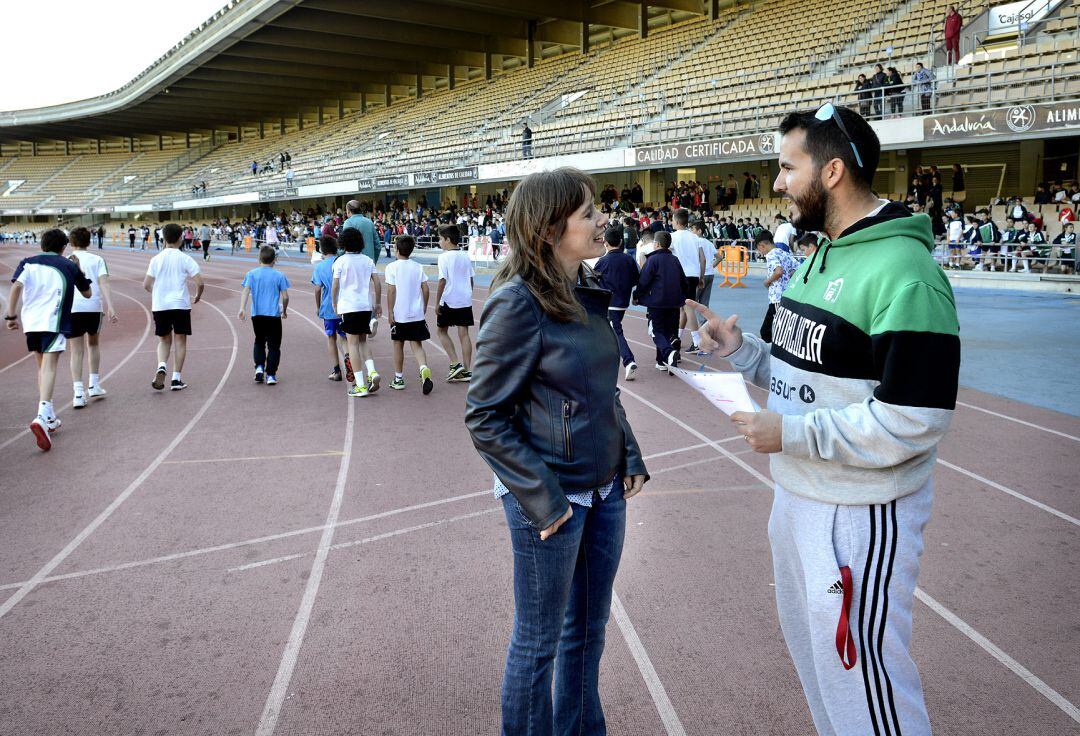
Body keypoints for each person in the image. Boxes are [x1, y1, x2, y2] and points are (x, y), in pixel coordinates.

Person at [691, 104, 959, 736]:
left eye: (788, 168)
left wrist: (791, 434)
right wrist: (742, 352)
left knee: (864, 679)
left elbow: (916, 419)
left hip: (858, 511)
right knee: (824, 669)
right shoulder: (819, 256)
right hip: (798, 494)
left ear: (832, 171)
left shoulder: (906, 273)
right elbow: (805, 371)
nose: (777, 182)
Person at [464, 167, 648, 736]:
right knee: (538, 641)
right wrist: (544, 502)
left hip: (603, 488)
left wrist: (630, 453)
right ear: (548, 230)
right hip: (550, 501)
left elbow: (600, 388)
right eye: (588, 214)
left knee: (587, 633)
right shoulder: (517, 302)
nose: (601, 222)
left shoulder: (588, 289)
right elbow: (485, 415)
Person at [5, 228, 92, 451]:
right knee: (50, 367)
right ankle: (42, 415)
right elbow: (88, 293)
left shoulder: (27, 262)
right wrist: (79, 269)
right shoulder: (69, 265)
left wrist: (11, 315)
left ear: (42, 244)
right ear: (64, 248)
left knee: (42, 367)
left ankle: (50, 416)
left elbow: (16, 286)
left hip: (31, 323)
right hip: (53, 322)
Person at [144, 223, 204, 392]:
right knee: (180, 340)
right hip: (180, 304)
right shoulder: (185, 258)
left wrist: (156, 294)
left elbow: (146, 284)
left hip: (160, 304)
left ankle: (162, 365)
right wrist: (198, 296)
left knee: (163, 339)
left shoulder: (156, 259)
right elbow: (200, 282)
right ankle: (176, 378)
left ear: (163, 238)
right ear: (181, 238)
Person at [67, 227, 118, 408]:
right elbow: (104, 282)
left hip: (73, 309)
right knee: (93, 344)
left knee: (76, 350)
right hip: (93, 307)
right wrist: (111, 307)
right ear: (89, 241)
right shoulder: (98, 259)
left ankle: (78, 393)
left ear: (71, 243)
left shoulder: (66, 260)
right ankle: (94, 384)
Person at [331, 228, 382, 398]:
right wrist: (378, 304)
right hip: (365, 306)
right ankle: (372, 372)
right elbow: (377, 283)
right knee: (363, 342)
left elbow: (335, 285)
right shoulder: (368, 260)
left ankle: (360, 385)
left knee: (352, 344)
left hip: (349, 306)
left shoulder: (340, 261)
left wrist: (334, 303)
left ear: (343, 242)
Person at [384, 235, 434, 394]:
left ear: (396, 249)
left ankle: (398, 379)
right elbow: (426, 288)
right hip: (416, 313)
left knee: (398, 344)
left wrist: (390, 311)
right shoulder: (418, 267)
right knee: (417, 344)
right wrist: (424, 306)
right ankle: (423, 368)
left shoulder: (392, 267)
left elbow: (391, 290)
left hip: (400, 314)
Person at [635, 230, 687, 372]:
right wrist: (683, 297)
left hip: (657, 302)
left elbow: (644, 281)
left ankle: (668, 352)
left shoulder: (652, 260)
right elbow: (683, 281)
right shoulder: (675, 260)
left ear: (656, 244)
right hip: (674, 302)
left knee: (656, 331)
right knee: (669, 331)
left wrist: (637, 296)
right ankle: (662, 360)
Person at [238, 246, 290, 385]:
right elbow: (285, 297)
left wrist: (242, 308)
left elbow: (245, 291)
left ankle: (259, 367)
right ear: (275, 260)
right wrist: (284, 310)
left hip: (257, 315)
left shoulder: (252, 274)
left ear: (259, 258)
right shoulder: (279, 275)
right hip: (273, 315)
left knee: (259, 341)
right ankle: (271, 375)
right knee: (274, 346)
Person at [594, 227, 639, 380]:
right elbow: (636, 279)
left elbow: (593, 281)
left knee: (615, 332)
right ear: (620, 242)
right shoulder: (629, 260)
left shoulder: (602, 262)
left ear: (605, 243)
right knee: (609, 331)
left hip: (609, 302)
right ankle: (604, 360)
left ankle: (629, 361)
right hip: (623, 302)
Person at [435, 224, 475, 383]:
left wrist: (437, 302)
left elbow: (442, 281)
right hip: (464, 299)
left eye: (440, 239)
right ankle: (466, 369)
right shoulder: (465, 255)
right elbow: (471, 279)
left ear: (448, 240)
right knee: (464, 334)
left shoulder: (443, 257)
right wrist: (468, 293)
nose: (439, 241)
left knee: (441, 331)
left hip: (449, 300)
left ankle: (454, 362)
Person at [311, 235, 353, 383]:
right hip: (345, 306)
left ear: (322, 250)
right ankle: (348, 358)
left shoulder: (320, 267)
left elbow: (317, 289)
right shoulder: (342, 262)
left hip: (329, 308)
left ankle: (337, 371)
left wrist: (318, 307)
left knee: (331, 338)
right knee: (345, 337)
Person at [669, 208, 706, 352]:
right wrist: (701, 276)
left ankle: (697, 341)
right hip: (694, 275)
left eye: (672, 219)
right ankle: (678, 336)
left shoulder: (672, 237)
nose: (671, 222)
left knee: (687, 307)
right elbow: (702, 259)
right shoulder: (695, 237)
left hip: (680, 275)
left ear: (677, 221)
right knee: (683, 308)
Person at [754, 230, 799, 341]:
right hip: (788, 295)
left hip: (777, 297)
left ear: (762, 245)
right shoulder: (783, 252)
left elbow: (778, 272)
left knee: (768, 330)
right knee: (781, 328)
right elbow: (798, 268)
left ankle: (771, 353)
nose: (761, 252)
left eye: (759, 249)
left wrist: (767, 281)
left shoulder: (771, 255)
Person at [342, 199, 381, 266]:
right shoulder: (369, 222)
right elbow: (377, 246)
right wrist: (373, 262)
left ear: (348, 211)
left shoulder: (348, 222)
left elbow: (345, 245)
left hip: (353, 264)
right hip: (369, 263)